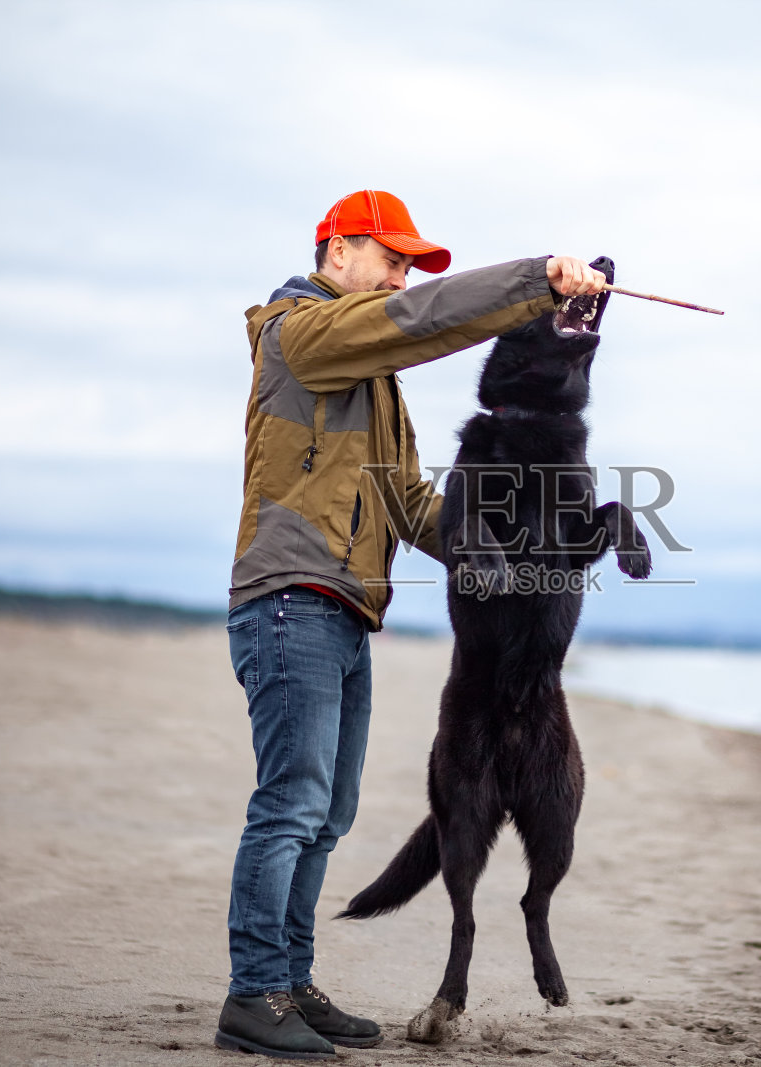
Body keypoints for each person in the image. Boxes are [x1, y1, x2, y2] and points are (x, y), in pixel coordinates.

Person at [215, 189, 607, 1059]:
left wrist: (513, 556)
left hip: (344, 608)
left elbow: (415, 506)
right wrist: (535, 283)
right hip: (291, 597)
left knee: (326, 812)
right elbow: (416, 320)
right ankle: (251, 994)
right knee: (291, 805)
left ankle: (291, 982)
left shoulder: (367, 381)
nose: (397, 277)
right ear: (337, 249)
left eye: (406, 265)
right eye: (388, 259)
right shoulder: (300, 333)